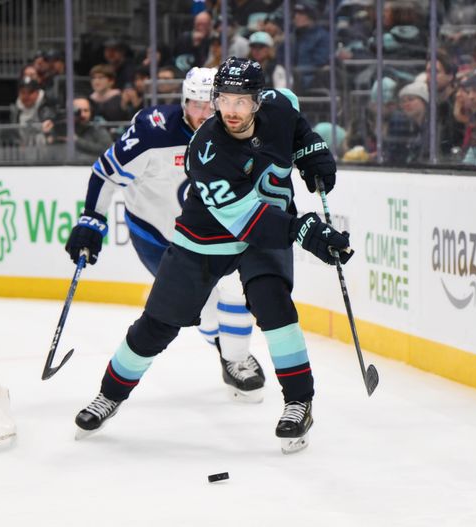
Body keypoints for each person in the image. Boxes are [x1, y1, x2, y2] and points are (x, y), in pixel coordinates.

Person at [71, 57, 351, 454]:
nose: (230, 111)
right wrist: (302, 230)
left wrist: (311, 151)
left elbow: (294, 116)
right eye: (224, 100)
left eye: (241, 101)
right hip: (207, 238)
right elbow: (248, 221)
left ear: (258, 101)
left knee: (274, 306)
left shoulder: (279, 105)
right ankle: (110, 395)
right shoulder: (205, 151)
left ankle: (298, 401)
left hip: (263, 235)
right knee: (157, 325)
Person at [65, 66, 267, 403]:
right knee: (200, 306)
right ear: (184, 100)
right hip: (157, 236)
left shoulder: (238, 131)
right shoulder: (153, 133)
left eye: (210, 105)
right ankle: (225, 346)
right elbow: (106, 172)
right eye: (195, 104)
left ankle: (234, 356)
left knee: (238, 289)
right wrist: (90, 220)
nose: (203, 113)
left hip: (213, 231)